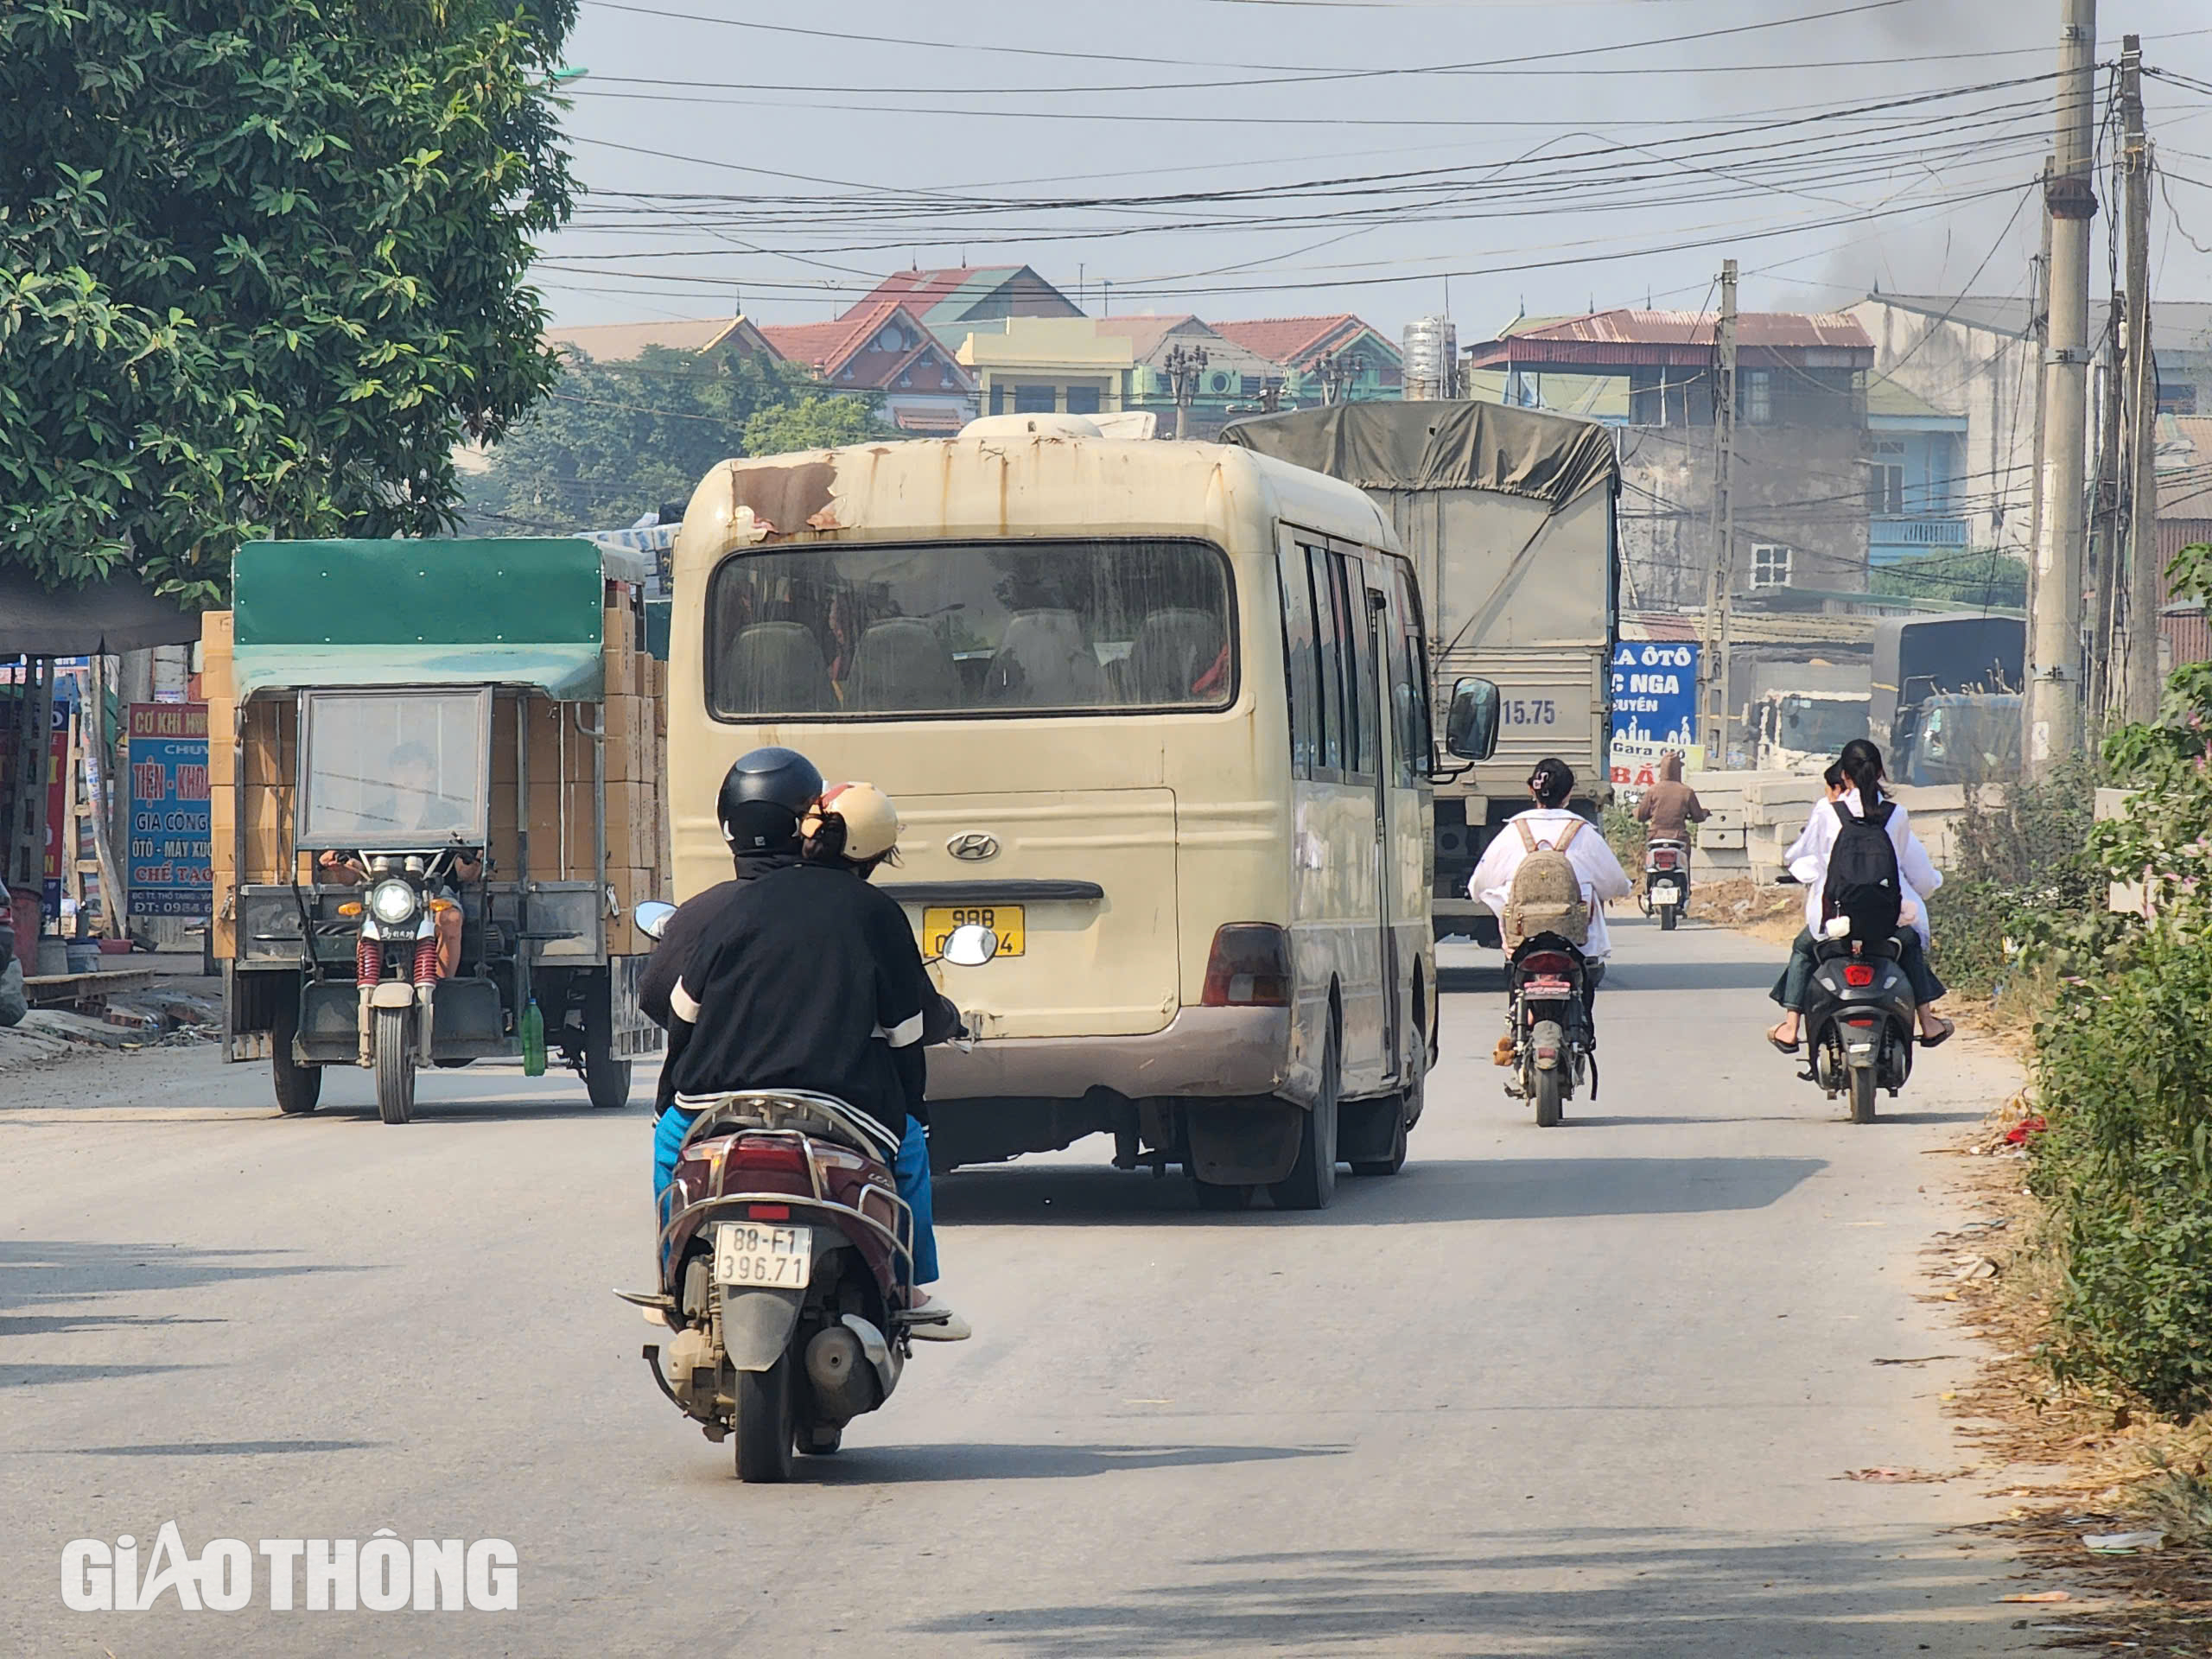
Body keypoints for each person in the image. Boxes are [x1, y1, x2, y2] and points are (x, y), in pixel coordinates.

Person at [641, 749, 971, 1341]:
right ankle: (911, 1286)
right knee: (912, 1149)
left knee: (670, 1146)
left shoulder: (726, 906)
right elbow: (906, 1033)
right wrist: (909, 1106)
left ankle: (671, 1275)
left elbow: (680, 1009)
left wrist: (674, 1093)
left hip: (714, 1104)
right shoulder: (876, 913)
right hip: (836, 1107)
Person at [1766, 738, 1953, 1051]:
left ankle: (1790, 1026)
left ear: (1844, 776)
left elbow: (1798, 855)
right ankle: (1928, 1022)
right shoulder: (1897, 814)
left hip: (1833, 921)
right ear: (1881, 771)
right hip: (1885, 919)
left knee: (1802, 949)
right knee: (1909, 946)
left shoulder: (1828, 811)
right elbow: (1914, 869)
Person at [1470, 758, 1632, 1058]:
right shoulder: (1583, 834)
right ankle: (1581, 1031)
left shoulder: (1512, 833)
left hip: (1522, 940)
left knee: (1515, 975)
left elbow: (1478, 887)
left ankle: (1515, 1028)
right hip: (1575, 941)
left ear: (1532, 791)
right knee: (1586, 980)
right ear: (1569, 794)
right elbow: (1616, 885)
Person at [318, 742, 480, 977]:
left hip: (434, 894)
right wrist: (337, 865)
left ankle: (443, 991)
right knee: (368, 927)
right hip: (385, 895)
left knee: (451, 918)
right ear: (391, 775)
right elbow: (353, 872)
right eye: (402, 769)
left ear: (430, 775)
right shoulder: (374, 817)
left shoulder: (448, 816)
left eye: (417, 769)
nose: (409, 776)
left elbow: (464, 872)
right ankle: (366, 994)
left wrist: (474, 859)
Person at [1632, 750, 1709, 845]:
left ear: (1662, 769)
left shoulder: (1653, 790)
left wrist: (1635, 811)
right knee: (1685, 855)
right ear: (1678, 770)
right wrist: (1705, 813)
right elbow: (1698, 817)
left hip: (1655, 837)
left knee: (1649, 857)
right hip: (1679, 837)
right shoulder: (1687, 791)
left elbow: (1641, 816)